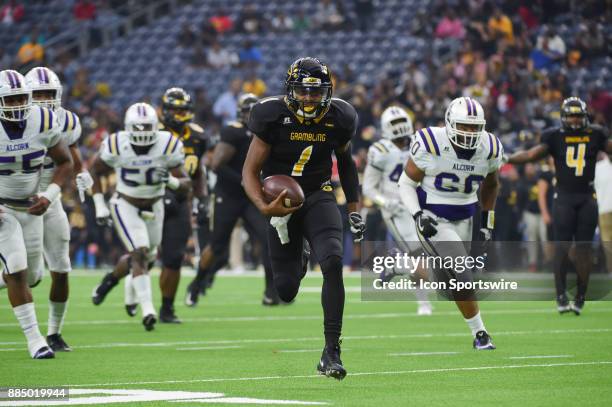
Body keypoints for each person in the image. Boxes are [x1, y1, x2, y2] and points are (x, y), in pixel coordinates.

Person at [242, 57, 364, 380]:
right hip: (279, 200)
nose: (309, 99)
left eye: (316, 92)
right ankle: (300, 256)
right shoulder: (270, 115)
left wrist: (353, 208)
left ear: (327, 91)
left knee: (334, 261)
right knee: (285, 290)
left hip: (318, 195)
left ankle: (331, 351)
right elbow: (250, 172)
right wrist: (265, 207)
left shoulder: (339, 118)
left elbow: (347, 164)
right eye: (303, 91)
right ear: (290, 90)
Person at [398, 96, 503, 350]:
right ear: (449, 123)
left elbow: (491, 185)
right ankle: (481, 335)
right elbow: (406, 183)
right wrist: (418, 215)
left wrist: (487, 221)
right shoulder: (430, 142)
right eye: (463, 126)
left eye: (474, 127)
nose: (469, 132)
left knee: (448, 287)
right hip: (434, 219)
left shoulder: (490, 147)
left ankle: (402, 265)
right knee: (462, 271)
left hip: (465, 219)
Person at [90, 103, 190, 331]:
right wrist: (99, 205)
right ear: (128, 127)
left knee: (148, 256)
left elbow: (186, 184)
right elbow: (95, 171)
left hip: (155, 205)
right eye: (139, 127)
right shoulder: (116, 143)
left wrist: (171, 181)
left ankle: (111, 281)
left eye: (148, 127)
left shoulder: (167, 144)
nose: (144, 131)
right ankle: (148, 311)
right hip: (125, 203)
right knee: (140, 252)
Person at [507, 97, 612, 314]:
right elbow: (530, 154)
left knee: (584, 250)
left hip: (587, 197)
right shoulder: (555, 136)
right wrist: (505, 158)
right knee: (561, 247)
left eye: (578, 115)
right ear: (564, 117)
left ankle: (581, 296)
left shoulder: (596, 134)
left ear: (584, 117)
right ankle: (561, 295)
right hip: (563, 197)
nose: (574, 120)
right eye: (571, 115)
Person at [0, 69, 73, 358]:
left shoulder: (43, 120)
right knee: (16, 270)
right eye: (11, 99)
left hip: (31, 206)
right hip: (2, 209)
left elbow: (65, 162)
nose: (18, 105)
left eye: (21, 98)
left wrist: (50, 195)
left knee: (32, 277)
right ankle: (36, 341)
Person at [185, 93, 278, 306]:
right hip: (229, 195)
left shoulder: (267, 132)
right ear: (240, 113)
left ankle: (270, 292)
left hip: (251, 198)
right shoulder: (233, 131)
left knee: (268, 241)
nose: (251, 116)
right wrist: (246, 181)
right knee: (217, 247)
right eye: (248, 112)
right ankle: (196, 285)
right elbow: (217, 164)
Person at [23, 66, 91, 351]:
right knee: (30, 275)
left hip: (50, 200)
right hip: (20, 203)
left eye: (49, 94)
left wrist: (82, 173)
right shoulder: (15, 123)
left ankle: (54, 332)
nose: (44, 99)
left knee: (61, 267)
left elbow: (71, 157)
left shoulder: (67, 122)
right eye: (37, 94)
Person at [362, 106, 432, 315]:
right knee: (421, 258)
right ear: (385, 127)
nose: (399, 127)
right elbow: (368, 188)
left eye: (401, 121)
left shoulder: (419, 144)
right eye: (394, 123)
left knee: (436, 257)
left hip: (421, 206)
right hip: (398, 211)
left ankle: (396, 266)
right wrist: (384, 202)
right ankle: (423, 303)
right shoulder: (379, 151)